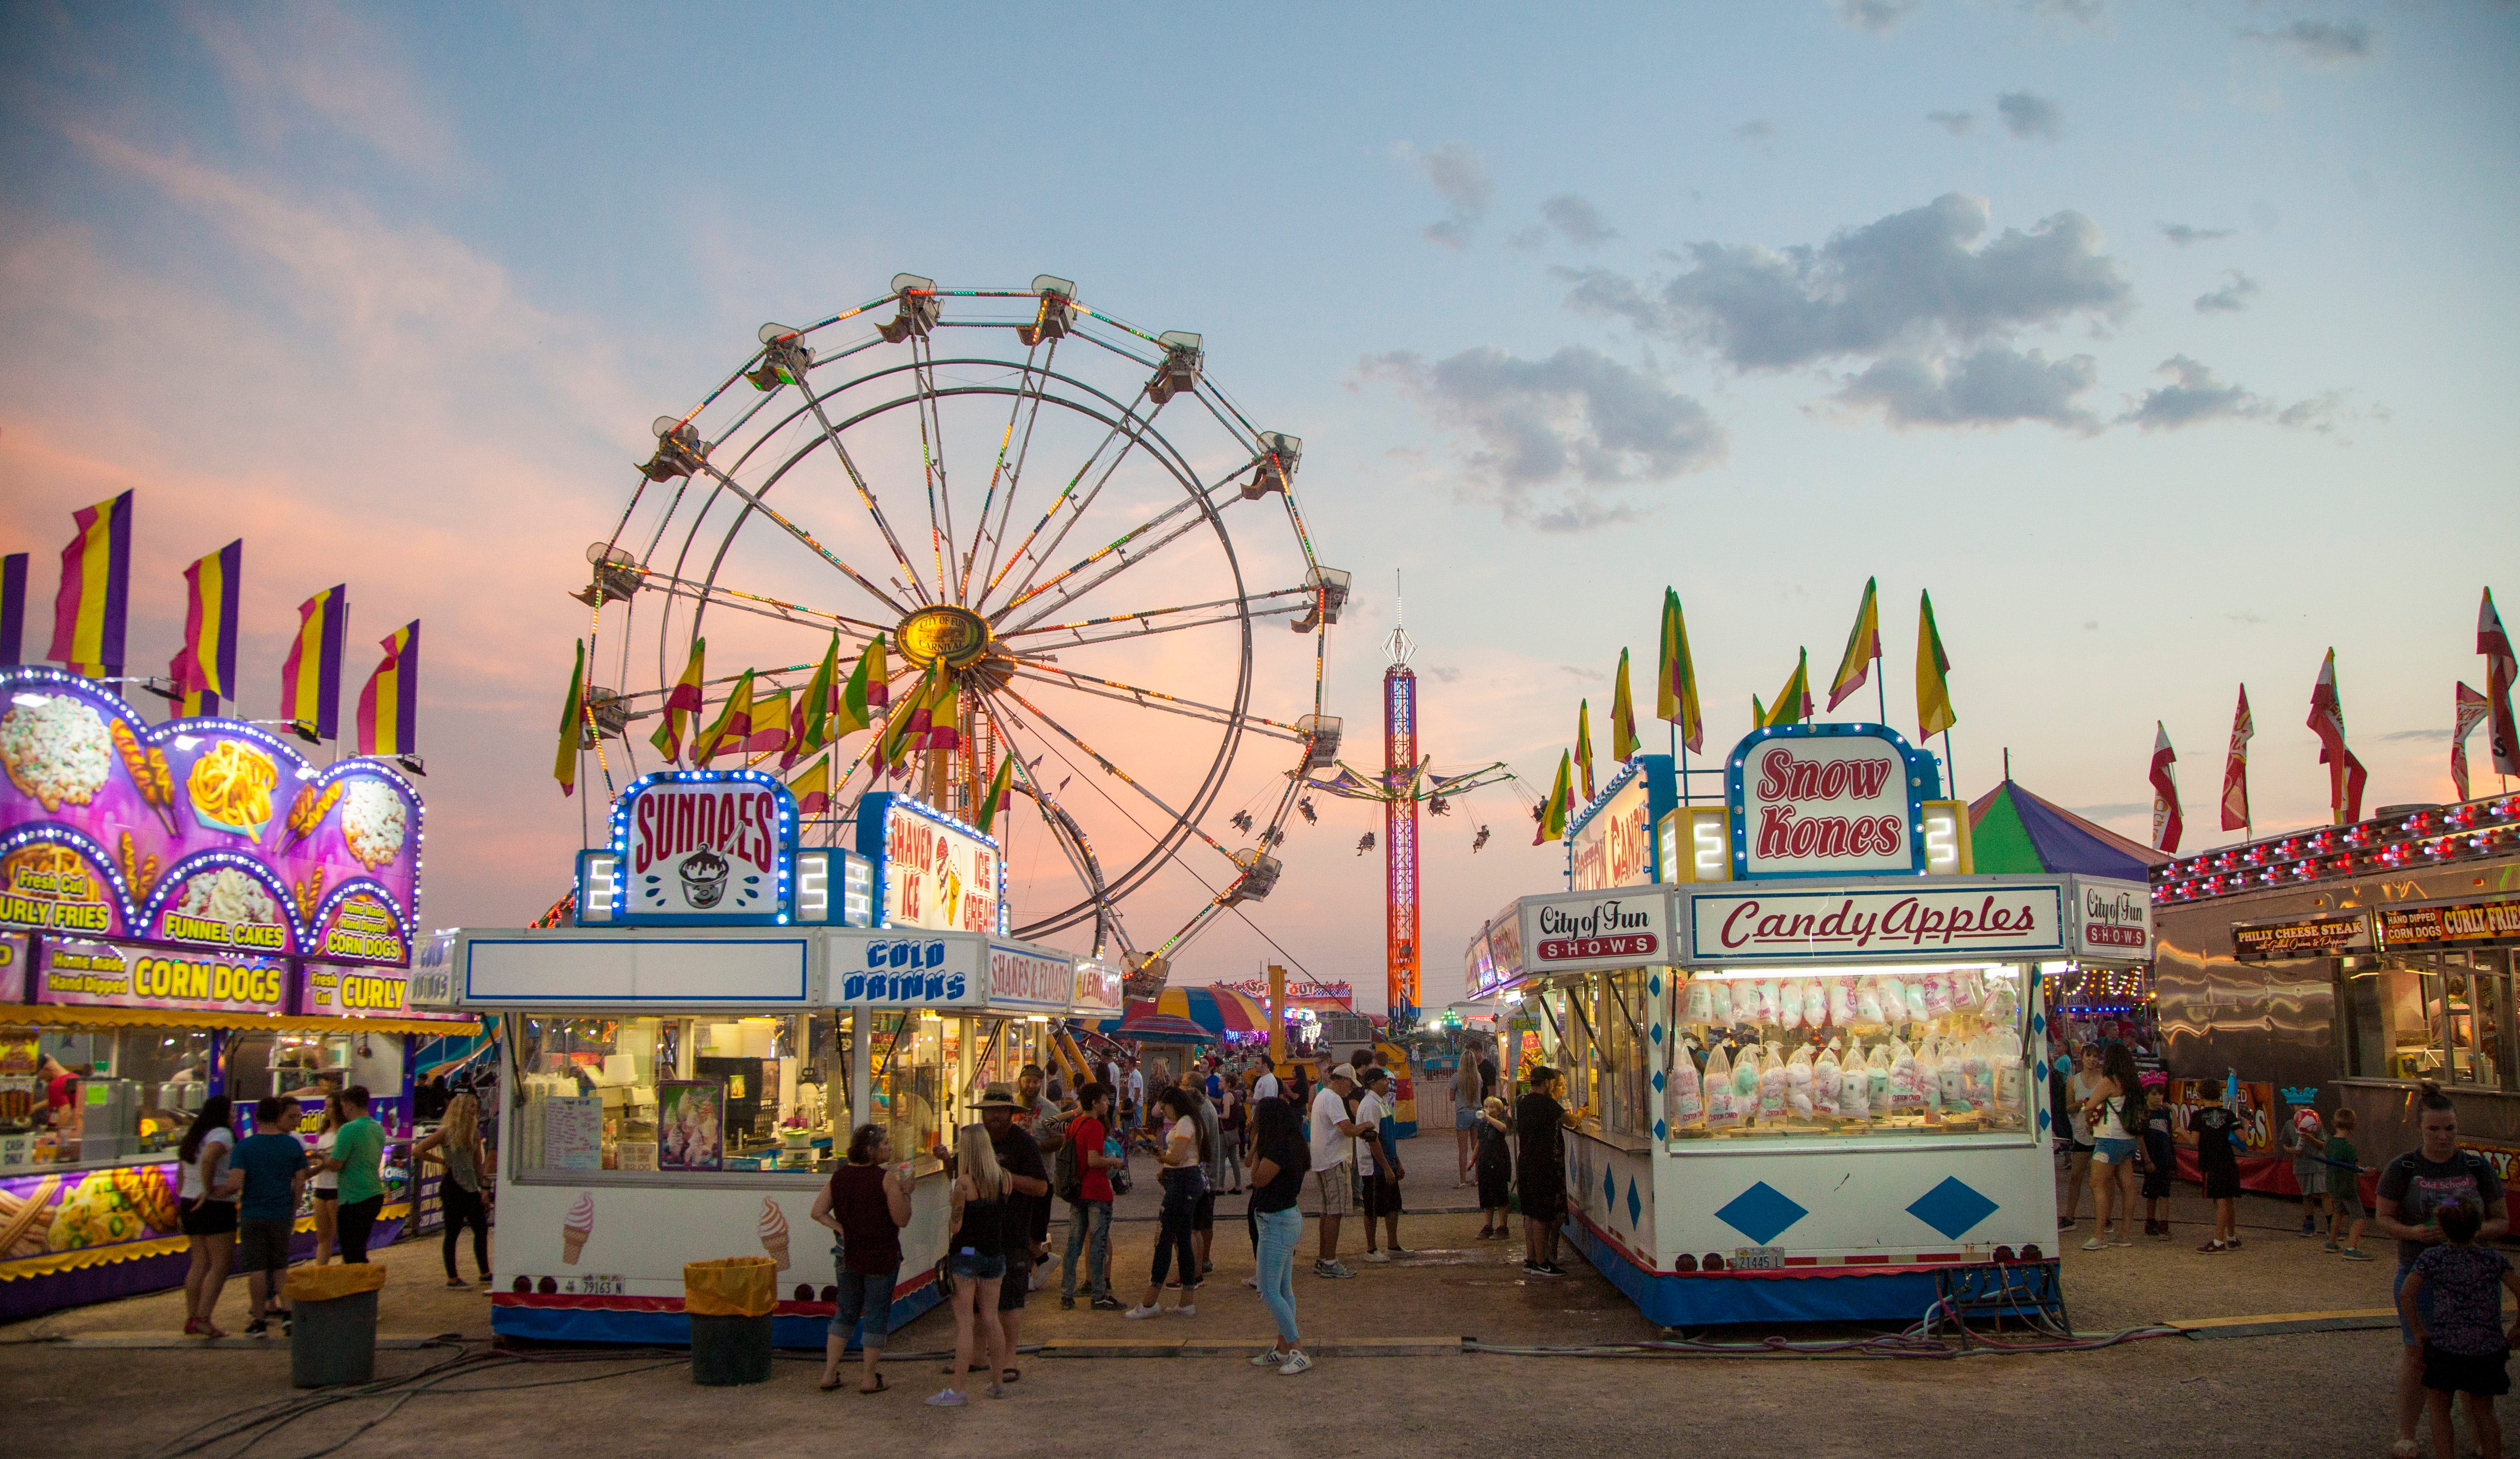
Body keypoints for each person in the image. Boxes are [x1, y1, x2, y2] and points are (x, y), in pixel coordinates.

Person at [2380, 1081, 2510, 1458]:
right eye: (2433, 1129)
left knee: (2474, 1354)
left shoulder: (2476, 1167)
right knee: (2417, 1352)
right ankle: (2406, 1432)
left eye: (2449, 1128)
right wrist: (2413, 1232)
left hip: (2473, 1279)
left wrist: (2465, 1234)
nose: (2442, 1137)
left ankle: (2480, 1435)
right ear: (2418, 1128)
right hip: (2419, 1273)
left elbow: (2501, 1221)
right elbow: (2383, 1217)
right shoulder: (2402, 1167)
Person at [2397, 1197, 2519, 1459]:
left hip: (2445, 1345)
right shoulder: (2493, 1259)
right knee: (2484, 1411)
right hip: (2486, 1345)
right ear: (2479, 1227)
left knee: (2440, 1411)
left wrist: (2418, 1330)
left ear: (2442, 1228)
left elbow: (2407, 1294)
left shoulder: (2433, 1258)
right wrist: (2518, 1328)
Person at [810, 1123, 912, 1393]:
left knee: (846, 1312)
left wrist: (842, 1229)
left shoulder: (839, 1177)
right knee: (876, 1313)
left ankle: (829, 1373)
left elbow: (818, 1211)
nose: (890, 1147)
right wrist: (906, 1192)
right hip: (881, 1254)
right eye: (885, 1144)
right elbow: (901, 1219)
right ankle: (869, 1378)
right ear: (870, 1150)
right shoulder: (885, 1179)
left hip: (848, 1254)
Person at [927, 1123, 1012, 1407]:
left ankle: (957, 1390)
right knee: (992, 1318)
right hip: (995, 1254)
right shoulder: (1005, 1178)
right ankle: (998, 1383)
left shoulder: (964, 1183)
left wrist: (954, 1199)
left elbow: (956, 1225)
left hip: (966, 1255)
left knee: (965, 1322)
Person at [976, 1084, 1048, 1385]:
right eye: (989, 1111)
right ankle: (976, 1357)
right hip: (976, 1233)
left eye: (999, 1111)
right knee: (974, 1298)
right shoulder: (973, 1141)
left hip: (1013, 1231)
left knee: (1010, 1298)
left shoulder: (1023, 1144)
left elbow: (1042, 1188)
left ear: (1010, 1113)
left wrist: (1008, 1179)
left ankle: (1009, 1359)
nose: (994, 1116)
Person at [230, 1097, 309, 1336]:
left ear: (256, 1117)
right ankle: (288, 1315)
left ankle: (260, 1320)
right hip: (281, 1213)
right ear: (278, 1117)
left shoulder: (244, 1147)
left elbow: (236, 1183)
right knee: (280, 1265)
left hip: (253, 1213)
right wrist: (294, 1207)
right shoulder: (292, 1145)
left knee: (257, 1268)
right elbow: (300, 1181)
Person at [1128, 1088, 1209, 1318]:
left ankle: (1151, 1300)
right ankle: (1186, 1300)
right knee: (1182, 1240)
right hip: (1186, 1181)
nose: (1164, 1113)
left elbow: (1176, 1157)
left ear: (1174, 1104)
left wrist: (1162, 1157)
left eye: (1165, 1108)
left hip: (1182, 1183)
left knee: (1164, 1238)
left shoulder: (1184, 1123)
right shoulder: (1190, 1121)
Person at [1247, 1094, 1312, 1375]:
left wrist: (1257, 1146)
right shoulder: (1293, 1143)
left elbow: (1258, 1178)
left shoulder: (1277, 1148)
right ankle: (1284, 1346)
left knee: (1268, 1290)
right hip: (1285, 1217)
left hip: (1276, 1222)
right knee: (1283, 1288)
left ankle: (1297, 1347)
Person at [176, 1095, 242, 1337]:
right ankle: (204, 1317)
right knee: (221, 1264)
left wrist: (187, 1194)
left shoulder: (195, 1136)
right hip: (214, 1203)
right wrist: (207, 1188)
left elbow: (182, 1173)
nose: (234, 1116)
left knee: (200, 1262)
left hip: (188, 1201)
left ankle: (192, 1317)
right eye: (232, 1111)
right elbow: (211, 1156)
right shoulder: (222, 1135)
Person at [1059, 1082, 1125, 1310]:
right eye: (1105, 1100)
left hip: (1077, 1192)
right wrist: (1115, 1162)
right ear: (1095, 1103)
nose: (1108, 1104)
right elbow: (1093, 1160)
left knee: (1074, 1245)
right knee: (1098, 1245)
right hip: (1096, 1191)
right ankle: (1099, 1294)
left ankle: (1066, 1293)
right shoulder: (1095, 1126)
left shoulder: (1074, 1125)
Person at [415, 1092, 492, 1286]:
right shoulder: (447, 1132)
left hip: (470, 1185)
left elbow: (478, 1163)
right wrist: (441, 1161)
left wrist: (483, 1188)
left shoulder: (474, 1133)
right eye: (471, 1106)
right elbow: (417, 1150)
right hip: (452, 1185)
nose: (475, 1110)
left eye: (476, 1106)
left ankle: (484, 1272)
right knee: (453, 1231)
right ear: (462, 1109)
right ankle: (452, 1277)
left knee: (481, 1229)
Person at [1306, 1065, 1367, 1279]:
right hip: (1334, 1161)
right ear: (1343, 1080)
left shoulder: (1323, 1096)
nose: (1350, 1090)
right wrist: (1364, 1126)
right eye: (1350, 1084)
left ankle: (1324, 1258)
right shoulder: (1333, 1099)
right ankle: (1330, 1261)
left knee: (1327, 1211)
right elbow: (1347, 1129)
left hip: (1322, 1161)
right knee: (1335, 1212)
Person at [1517, 1066, 1578, 1277]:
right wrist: (1581, 1114)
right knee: (1541, 1215)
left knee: (1529, 1214)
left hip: (1525, 1162)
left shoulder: (1522, 1103)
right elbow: (1571, 1121)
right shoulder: (1547, 1104)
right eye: (1553, 1082)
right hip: (1542, 1164)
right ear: (1546, 1084)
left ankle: (1532, 1259)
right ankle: (1543, 1262)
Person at [2080, 1043, 2140, 1249]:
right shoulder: (2133, 1081)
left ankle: (2099, 1235)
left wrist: (2089, 1121)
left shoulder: (2109, 1081)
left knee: (2097, 1184)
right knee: (2128, 1187)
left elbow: (2089, 1105)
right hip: (2129, 1139)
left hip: (2109, 1138)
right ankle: (2124, 1235)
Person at [322, 1085, 386, 1264]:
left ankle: (359, 1289)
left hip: (354, 1197)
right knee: (359, 1247)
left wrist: (322, 1160)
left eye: (342, 1106)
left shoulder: (348, 1129)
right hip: (374, 1193)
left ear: (349, 1105)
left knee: (351, 1251)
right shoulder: (378, 1128)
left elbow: (336, 1164)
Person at [1357, 1067, 1407, 1260]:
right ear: (1373, 1084)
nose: (1388, 1083)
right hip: (1374, 1168)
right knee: (1373, 1208)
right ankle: (1371, 1249)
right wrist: (1387, 1168)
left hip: (1386, 1164)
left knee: (1393, 1205)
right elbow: (1373, 1140)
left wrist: (1396, 1163)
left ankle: (1393, 1246)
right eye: (1384, 1080)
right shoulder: (1370, 1105)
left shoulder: (1381, 1103)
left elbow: (1388, 1138)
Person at [2190, 1085, 2243, 1254]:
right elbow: (2243, 1137)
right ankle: (2232, 1238)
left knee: (2220, 1202)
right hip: (2228, 1160)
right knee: (2229, 1200)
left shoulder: (2198, 1116)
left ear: (2200, 1095)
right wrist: (2246, 1123)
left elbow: (2194, 1141)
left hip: (2211, 1162)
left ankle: (2218, 1242)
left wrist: (2180, 1130)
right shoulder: (2228, 1114)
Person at [2058, 1045, 2100, 1230]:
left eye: (2095, 1056)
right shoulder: (2072, 1082)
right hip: (2082, 1133)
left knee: (2102, 1179)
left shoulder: (2103, 1081)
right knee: (2076, 1176)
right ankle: (2070, 1216)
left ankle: (2105, 1218)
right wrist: (2079, 1104)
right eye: (2088, 1056)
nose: (2092, 1060)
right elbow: (2068, 1108)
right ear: (2081, 1058)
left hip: (2101, 1133)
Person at [1191, 1081, 1228, 1276]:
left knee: (1199, 1225)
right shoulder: (1205, 1109)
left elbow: (1200, 1146)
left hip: (1204, 1176)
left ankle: (1201, 1261)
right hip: (1206, 1175)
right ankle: (1201, 1260)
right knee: (1202, 1223)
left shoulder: (1203, 1113)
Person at [2326, 1106, 2372, 1259]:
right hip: (2347, 1188)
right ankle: (2352, 1249)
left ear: (2334, 1123)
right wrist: (2368, 1172)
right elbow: (2358, 1171)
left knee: (2338, 1212)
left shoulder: (2329, 1142)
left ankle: (2332, 1242)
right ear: (2354, 1126)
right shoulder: (2349, 1148)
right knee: (2360, 1217)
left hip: (2333, 1185)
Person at [2136, 1083, 2176, 1238]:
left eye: (2160, 1094)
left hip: (2165, 1157)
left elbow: (2173, 1131)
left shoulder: (2165, 1114)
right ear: (2146, 1096)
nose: (2158, 1097)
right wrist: (2147, 1160)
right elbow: (2140, 1139)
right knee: (2151, 1193)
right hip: (2151, 1158)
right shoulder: (2144, 1114)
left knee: (2165, 1193)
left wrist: (2173, 1112)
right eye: (2154, 1094)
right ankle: (2150, 1221)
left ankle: (2164, 1225)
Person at [309, 1092, 345, 1264]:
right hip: (321, 1186)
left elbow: (337, 1161)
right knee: (322, 1235)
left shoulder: (343, 1132)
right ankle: (320, 1271)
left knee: (342, 1234)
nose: (326, 1110)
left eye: (329, 1106)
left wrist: (323, 1160)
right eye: (325, 1106)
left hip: (337, 1187)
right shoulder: (323, 1132)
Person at [1475, 1096, 1515, 1238]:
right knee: (1487, 1196)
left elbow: (1503, 1128)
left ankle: (1503, 1226)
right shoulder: (1482, 1126)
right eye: (1486, 1106)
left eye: (1492, 1107)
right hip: (1485, 1163)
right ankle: (1489, 1225)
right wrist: (1473, 1160)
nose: (1488, 1110)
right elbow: (1479, 1144)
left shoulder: (1499, 1123)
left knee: (1500, 1195)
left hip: (1499, 1162)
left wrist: (1490, 1119)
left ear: (1499, 1111)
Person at [2289, 1106, 2330, 1237]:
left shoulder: (2316, 1122)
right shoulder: (2289, 1125)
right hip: (2302, 1166)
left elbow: (2323, 1145)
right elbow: (2285, 1143)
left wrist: (2311, 1138)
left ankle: (2331, 1224)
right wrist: (2292, 1150)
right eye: (2298, 1106)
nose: (2301, 1108)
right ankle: (2309, 1224)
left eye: (2305, 1106)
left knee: (2324, 1193)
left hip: (2318, 1165)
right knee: (2307, 1195)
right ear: (2292, 1107)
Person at [1452, 1052, 1483, 1187]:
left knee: (1463, 1150)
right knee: (1476, 1148)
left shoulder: (1457, 1077)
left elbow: (1452, 1097)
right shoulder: (1478, 1077)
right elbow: (1480, 1096)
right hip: (1477, 1112)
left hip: (1463, 1112)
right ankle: (1477, 1179)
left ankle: (1463, 1180)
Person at [1217, 1072, 1246, 1194]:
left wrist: (1216, 1116)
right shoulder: (1235, 1095)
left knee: (1222, 1159)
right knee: (1234, 1159)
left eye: (1222, 1081)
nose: (1219, 1083)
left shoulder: (1227, 1096)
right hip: (1233, 1130)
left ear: (1228, 1084)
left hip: (1224, 1131)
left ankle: (1221, 1187)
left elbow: (1226, 1115)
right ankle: (1238, 1186)